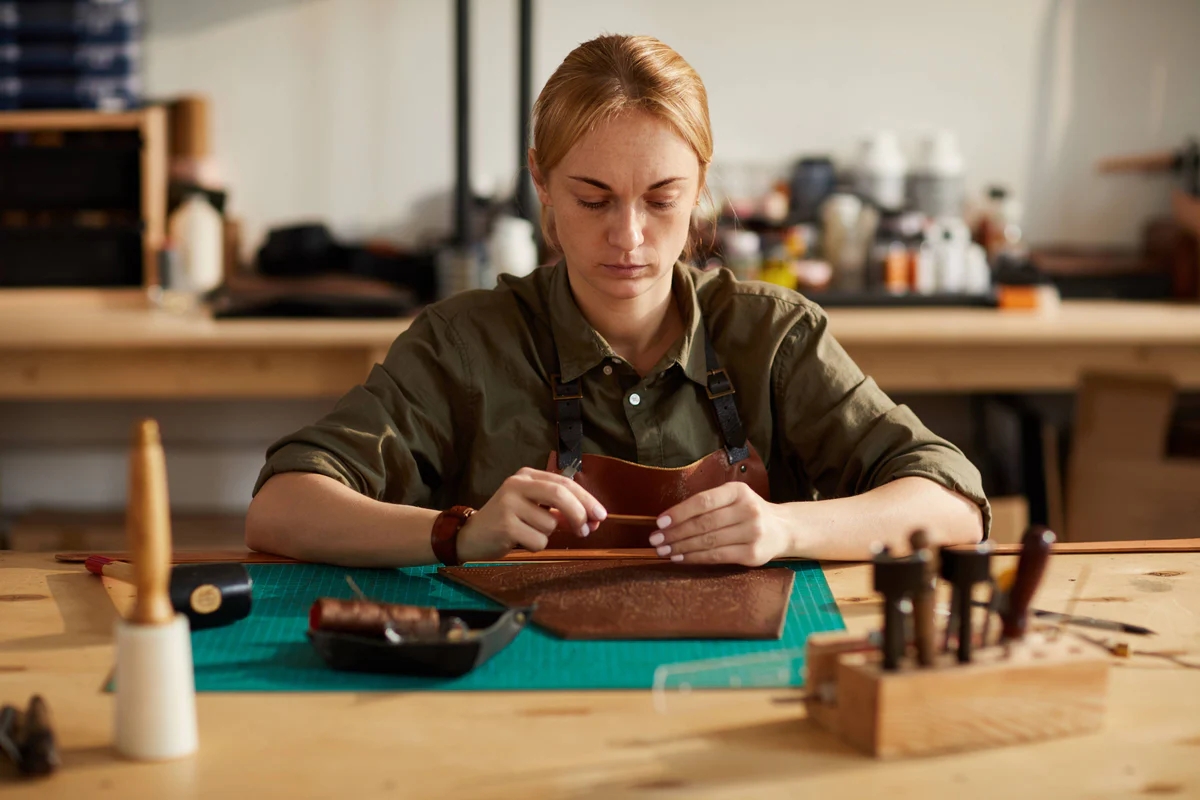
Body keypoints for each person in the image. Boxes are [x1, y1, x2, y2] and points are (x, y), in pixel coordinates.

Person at [245, 34, 987, 569]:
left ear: (700, 187)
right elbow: (280, 508)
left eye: (661, 198)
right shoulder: (463, 344)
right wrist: (457, 532)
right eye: (592, 197)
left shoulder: (775, 335)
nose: (627, 236)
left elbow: (952, 503)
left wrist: (785, 529)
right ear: (540, 184)